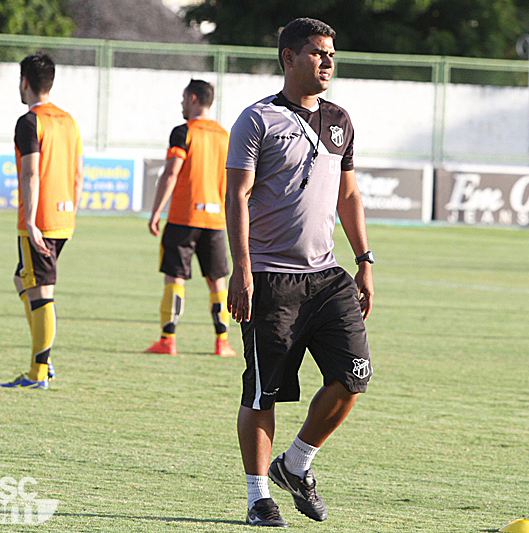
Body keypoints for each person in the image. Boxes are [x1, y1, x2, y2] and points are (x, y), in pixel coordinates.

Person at [225, 18, 375, 527]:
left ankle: (296, 464)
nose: (327, 62)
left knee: (355, 376)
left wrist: (364, 260)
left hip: (327, 276)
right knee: (263, 392)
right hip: (269, 277)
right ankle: (257, 497)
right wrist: (241, 271)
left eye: (331, 53)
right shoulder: (257, 120)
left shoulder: (341, 120)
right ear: (288, 58)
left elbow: (348, 195)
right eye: (316, 53)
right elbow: (237, 196)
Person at [1, 53, 83, 390]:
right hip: (63, 216)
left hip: (40, 220)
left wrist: (32, 222)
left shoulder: (29, 121)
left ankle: (39, 371)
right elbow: (78, 174)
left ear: (25, 82)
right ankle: (42, 357)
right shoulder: (68, 121)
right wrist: (72, 211)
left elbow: (31, 172)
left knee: (41, 291)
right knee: (24, 282)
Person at [145, 79, 235, 358]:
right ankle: (222, 343)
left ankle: (167, 340)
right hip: (216, 220)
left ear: (194, 99)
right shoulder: (225, 135)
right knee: (217, 280)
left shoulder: (183, 132)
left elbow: (172, 173)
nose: (181, 103)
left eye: (184, 98)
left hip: (184, 217)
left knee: (175, 278)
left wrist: (156, 210)